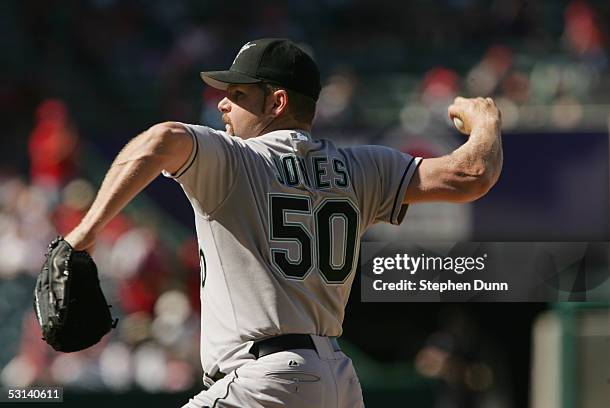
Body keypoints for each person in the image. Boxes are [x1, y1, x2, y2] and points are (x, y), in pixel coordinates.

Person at [64, 38, 502, 407]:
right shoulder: (364, 168)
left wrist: (83, 234)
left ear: (277, 102)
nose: (222, 103)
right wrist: (485, 121)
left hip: (264, 381)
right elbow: (472, 174)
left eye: (238, 95)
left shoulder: (235, 159)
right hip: (337, 382)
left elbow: (161, 140)